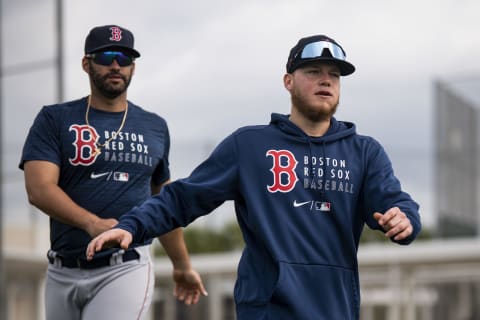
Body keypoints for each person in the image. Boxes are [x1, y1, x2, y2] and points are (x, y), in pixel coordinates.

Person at [86, 34, 422, 319]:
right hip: (266, 308)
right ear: (288, 81)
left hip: (335, 309)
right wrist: (131, 225)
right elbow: (183, 198)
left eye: (334, 75)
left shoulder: (365, 152)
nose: (326, 80)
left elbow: (394, 203)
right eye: (314, 71)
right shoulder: (249, 146)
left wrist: (405, 219)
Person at [19, 24, 207, 320]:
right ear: (87, 63)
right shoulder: (55, 119)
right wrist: (91, 223)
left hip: (125, 265)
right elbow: (39, 189)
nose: (116, 65)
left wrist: (182, 265)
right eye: (106, 56)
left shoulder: (154, 126)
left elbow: (164, 202)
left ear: (133, 67)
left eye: (125, 58)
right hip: (61, 269)